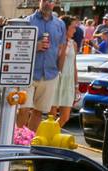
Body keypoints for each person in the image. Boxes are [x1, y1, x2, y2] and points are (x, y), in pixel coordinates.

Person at [19, 0, 67, 132]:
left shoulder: (60, 24)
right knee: (23, 109)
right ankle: (16, 142)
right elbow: (18, 47)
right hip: (29, 73)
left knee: (39, 112)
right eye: (45, 0)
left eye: (51, 1)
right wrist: (35, 46)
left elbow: (62, 49)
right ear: (40, 1)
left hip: (50, 74)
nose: (48, 3)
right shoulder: (28, 22)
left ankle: (28, 143)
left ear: (54, 3)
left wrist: (59, 72)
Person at [50, 16, 80, 127]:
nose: (75, 30)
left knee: (65, 117)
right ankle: (47, 137)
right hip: (56, 80)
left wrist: (76, 85)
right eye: (73, 27)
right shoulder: (57, 42)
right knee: (51, 114)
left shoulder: (74, 44)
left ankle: (51, 134)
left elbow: (74, 65)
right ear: (65, 28)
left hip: (68, 82)